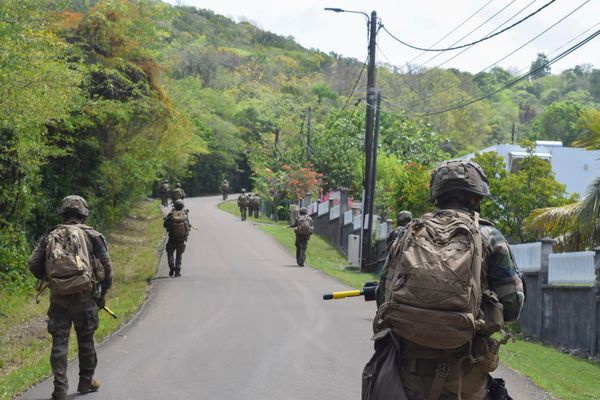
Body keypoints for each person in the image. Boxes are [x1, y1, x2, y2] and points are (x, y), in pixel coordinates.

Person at [369, 160, 524, 400]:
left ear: (437, 197)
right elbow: (512, 307)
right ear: (476, 199)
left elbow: (383, 297)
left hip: (407, 377)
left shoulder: (409, 233)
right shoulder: (490, 237)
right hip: (465, 379)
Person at [28, 195, 113, 400]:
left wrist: (51, 279)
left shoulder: (50, 235)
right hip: (85, 295)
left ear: (64, 213)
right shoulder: (93, 235)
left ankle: (60, 387)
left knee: (59, 340)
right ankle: (86, 381)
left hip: (59, 297)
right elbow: (107, 267)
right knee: (86, 339)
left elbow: (33, 263)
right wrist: (103, 292)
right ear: (83, 213)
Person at [163, 199, 191, 277]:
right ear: (182, 206)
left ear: (175, 206)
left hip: (172, 238)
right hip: (182, 238)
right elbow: (188, 226)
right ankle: (177, 272)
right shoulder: (184, 214)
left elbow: (165, 225)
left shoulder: (171, 214)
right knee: (179, 255)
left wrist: (167, 220)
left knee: (170, 253)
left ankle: (172, 267)